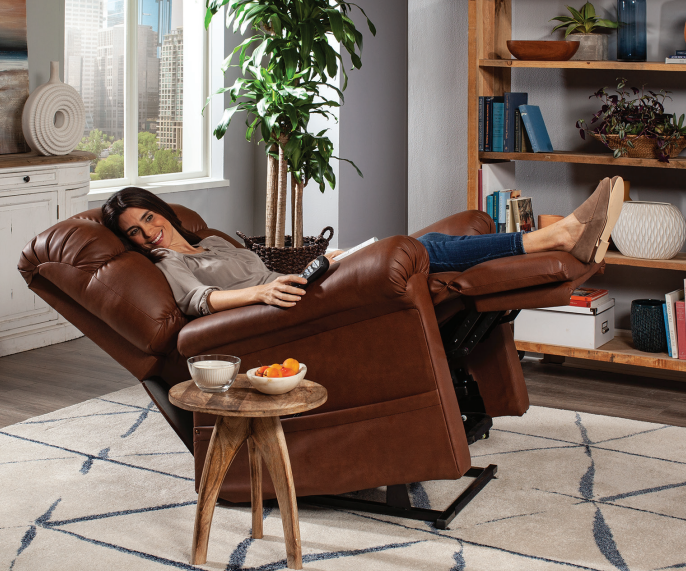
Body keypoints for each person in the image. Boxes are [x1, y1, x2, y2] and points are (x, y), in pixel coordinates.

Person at [101, 176, 624, 316]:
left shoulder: (207, 238)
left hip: (306, 280)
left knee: (430, 243)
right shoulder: (168, 263)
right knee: (413, 248)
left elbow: (263, 267)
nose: (150, 233)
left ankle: (556, 236)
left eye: (151, 218)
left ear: (162, 212)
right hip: (286, 305)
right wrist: (260, 295)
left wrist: (320, 262)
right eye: (136, 233)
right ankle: (557, 235)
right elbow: (197, 303)